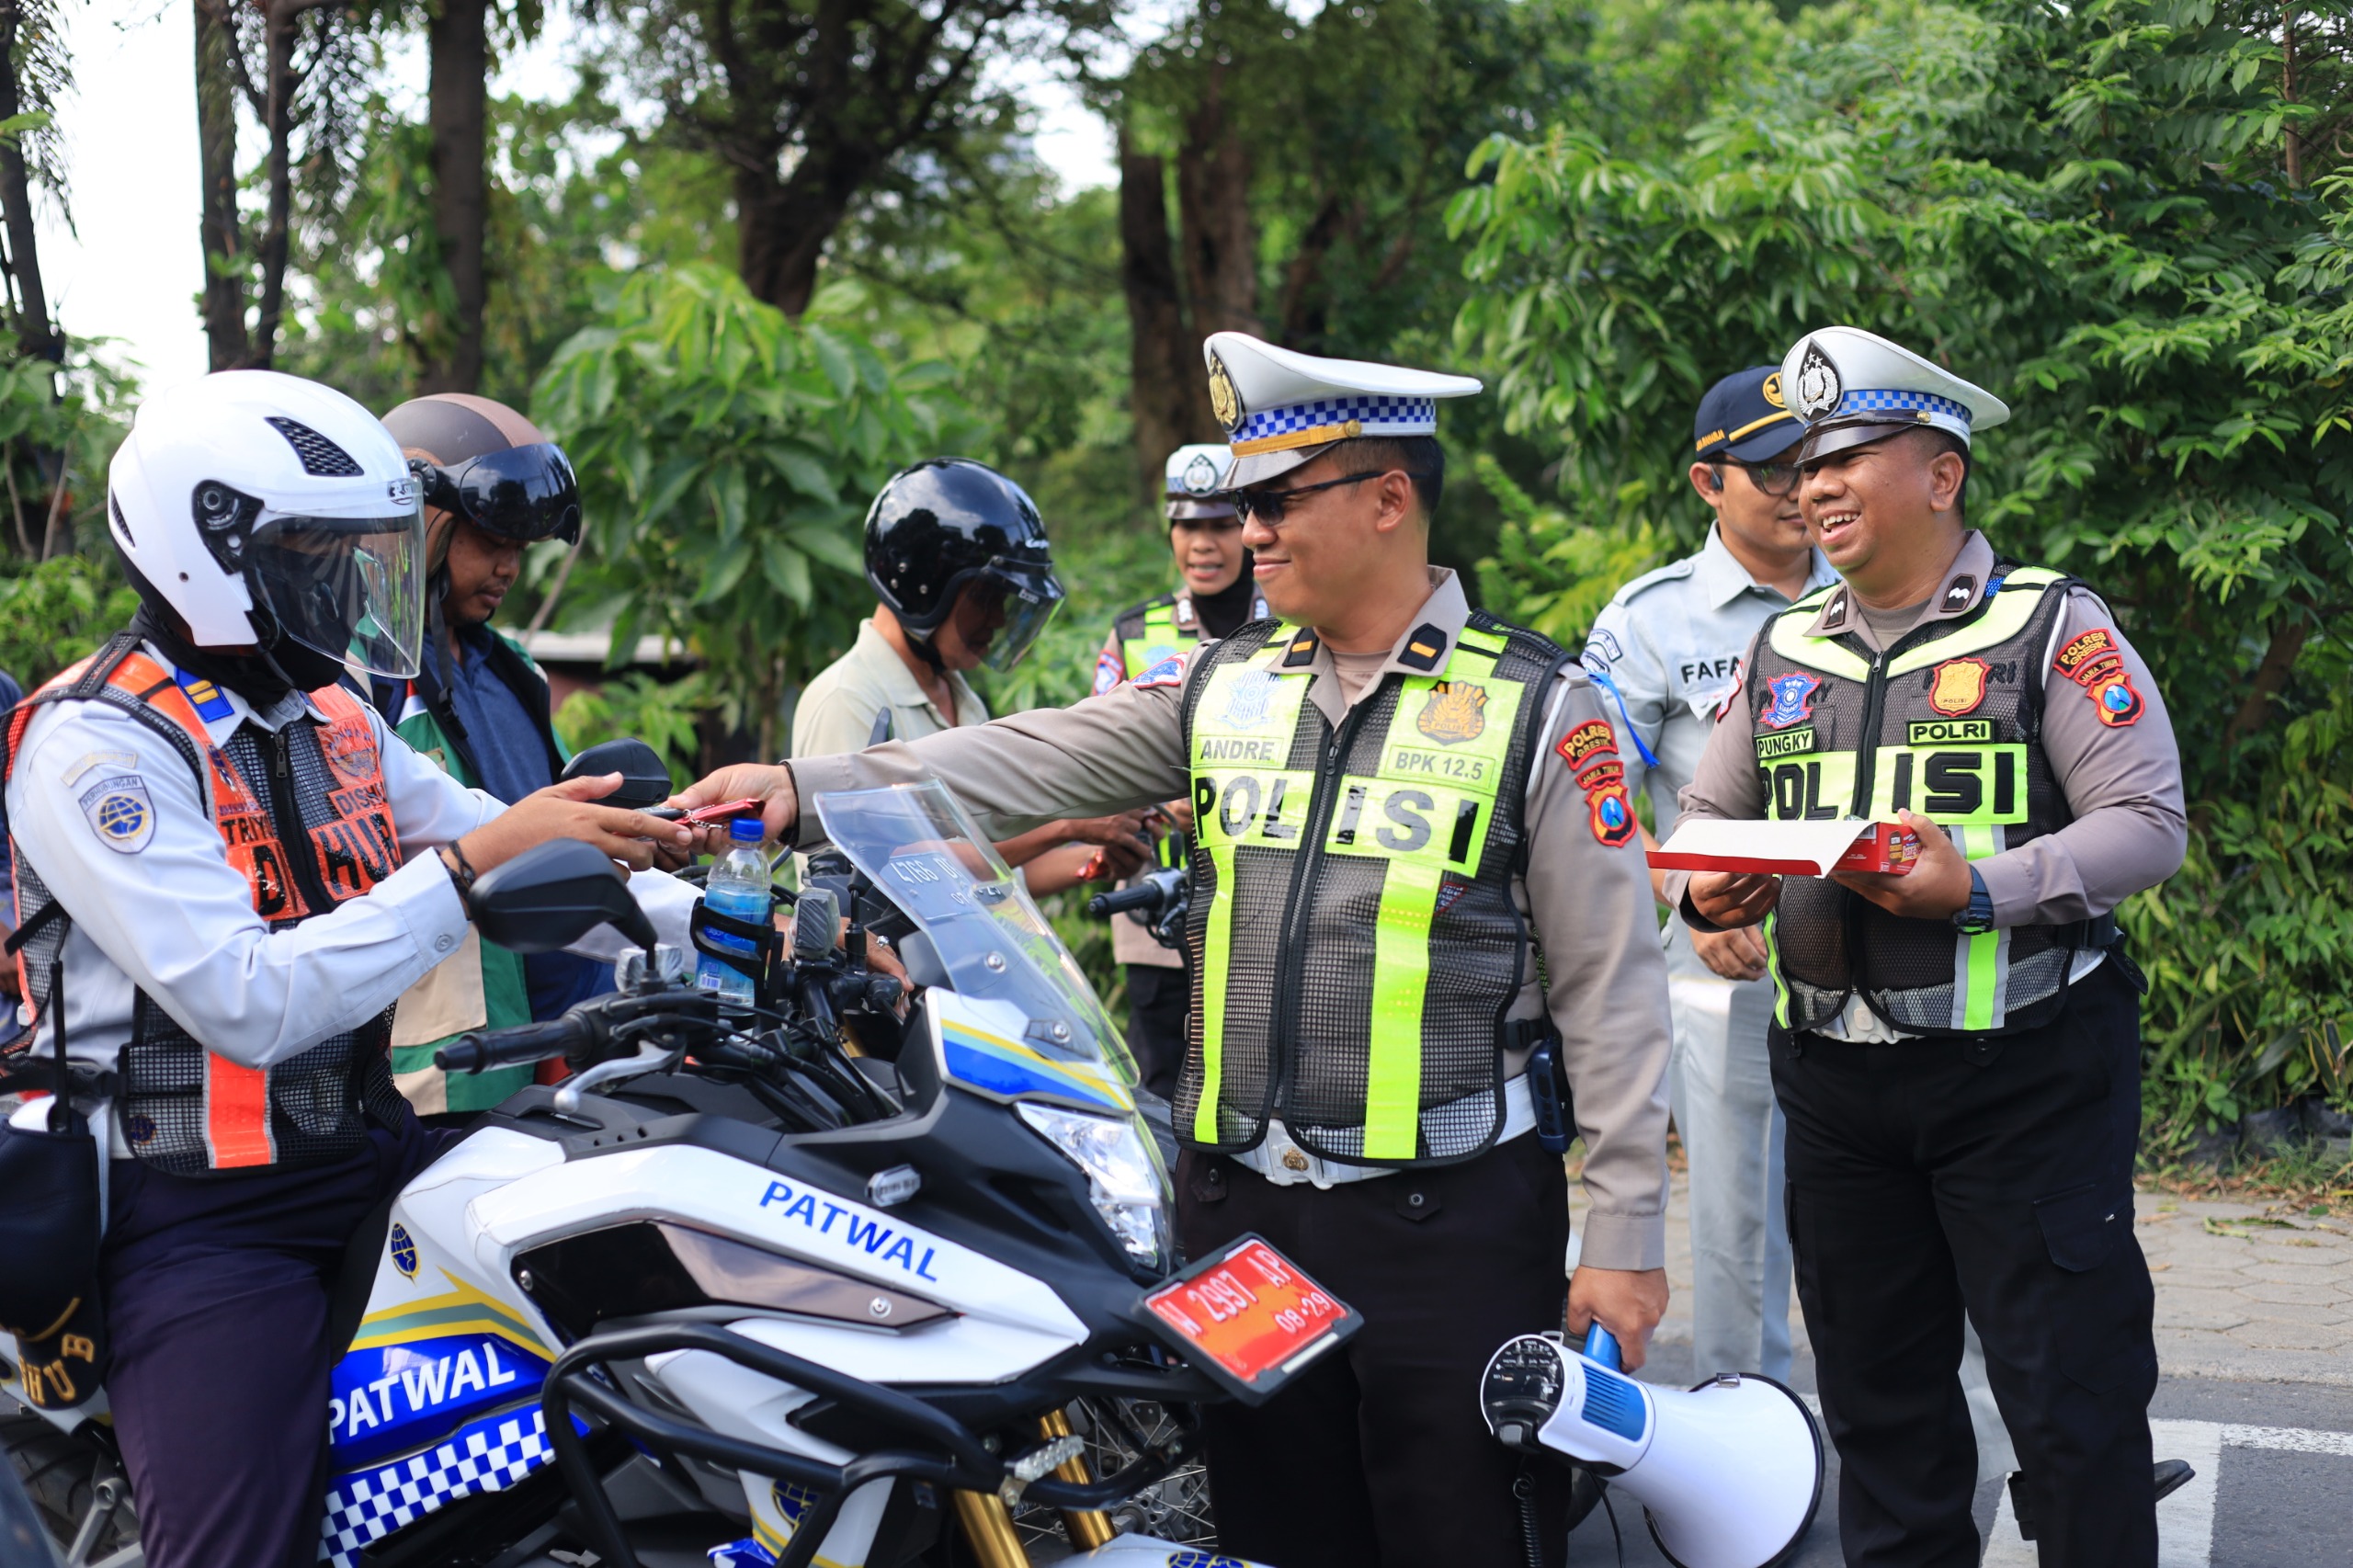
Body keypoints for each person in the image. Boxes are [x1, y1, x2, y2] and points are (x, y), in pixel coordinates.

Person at [678, 333, 1675, 1568]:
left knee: (1464, 1533)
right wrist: (800, 783)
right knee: (1268, 1538)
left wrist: (1626, 1234)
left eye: (1273, 501)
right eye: (1241, 506)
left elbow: (1614, 988)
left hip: (1449, 1229)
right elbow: (1028, 755)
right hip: (1243, 1223)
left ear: (1387, 498)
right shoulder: (1225, 686)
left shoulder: (1537, 709)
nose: (1246, 532)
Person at [0, 370, 699, 1568]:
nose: (352, 588)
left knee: (670, 1255)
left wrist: (731, 922)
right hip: (203, 1215)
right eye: (324, 555)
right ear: (214, 553)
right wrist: (474, 866)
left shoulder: (337, 712)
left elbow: (539, 858)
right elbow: (248, 998)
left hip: (375, 1147)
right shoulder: (97, 745)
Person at [1665, 326, 2185, 1567]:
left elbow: (2147, 826)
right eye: (1802, 466)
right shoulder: (1784, 646)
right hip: (1835, 1085)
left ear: (1942, 475)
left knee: (2070, 1407)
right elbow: (1701, 820)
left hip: (2027, 1077)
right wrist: (1710, 890)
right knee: (1882, 1410)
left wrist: (1980, 889)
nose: (1813, 488)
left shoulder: (2049, 624)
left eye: (1846, 458)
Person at [1583, 365, 1833, 1383]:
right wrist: (1684, 895)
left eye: (1812, 460)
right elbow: (1589, 804)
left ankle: (1978, 1458)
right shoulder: (1653, 620)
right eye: (1770, 465)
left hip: (1880, 946)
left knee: (1910, 1214)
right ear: (1706, 481)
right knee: (1738, 1223)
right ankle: (1754, 1430)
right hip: (1721, 958)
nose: (1797, 485)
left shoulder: (1875, 585)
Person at [369, 392, 605, 1118]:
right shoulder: (358, 683)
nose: (508, 568)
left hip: (538, 1052)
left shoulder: (514, 672)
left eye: (519, 549)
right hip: (424, 1073)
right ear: (419, 524)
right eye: (490, 541)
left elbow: (558, 835)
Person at [790, 457, 1149, 895]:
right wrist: (1064, 823)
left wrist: (1099, 851)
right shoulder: (848, 698)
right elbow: (879, 872)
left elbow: (995, 879)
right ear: (924, 584)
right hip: (882, 963)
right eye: (986, 596)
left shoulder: (961, 699)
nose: (998, 620)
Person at [1090, 442, 1269, 1098]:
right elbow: (1099, 762)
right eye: (1187, 525)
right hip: (1154, 913)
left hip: (1260, 903)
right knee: (1163, 1087)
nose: (1203, 543)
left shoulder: (1294, 625)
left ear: (1249, 526)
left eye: (1221, 524)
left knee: (1254, 1083)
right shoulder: (1136, 635)